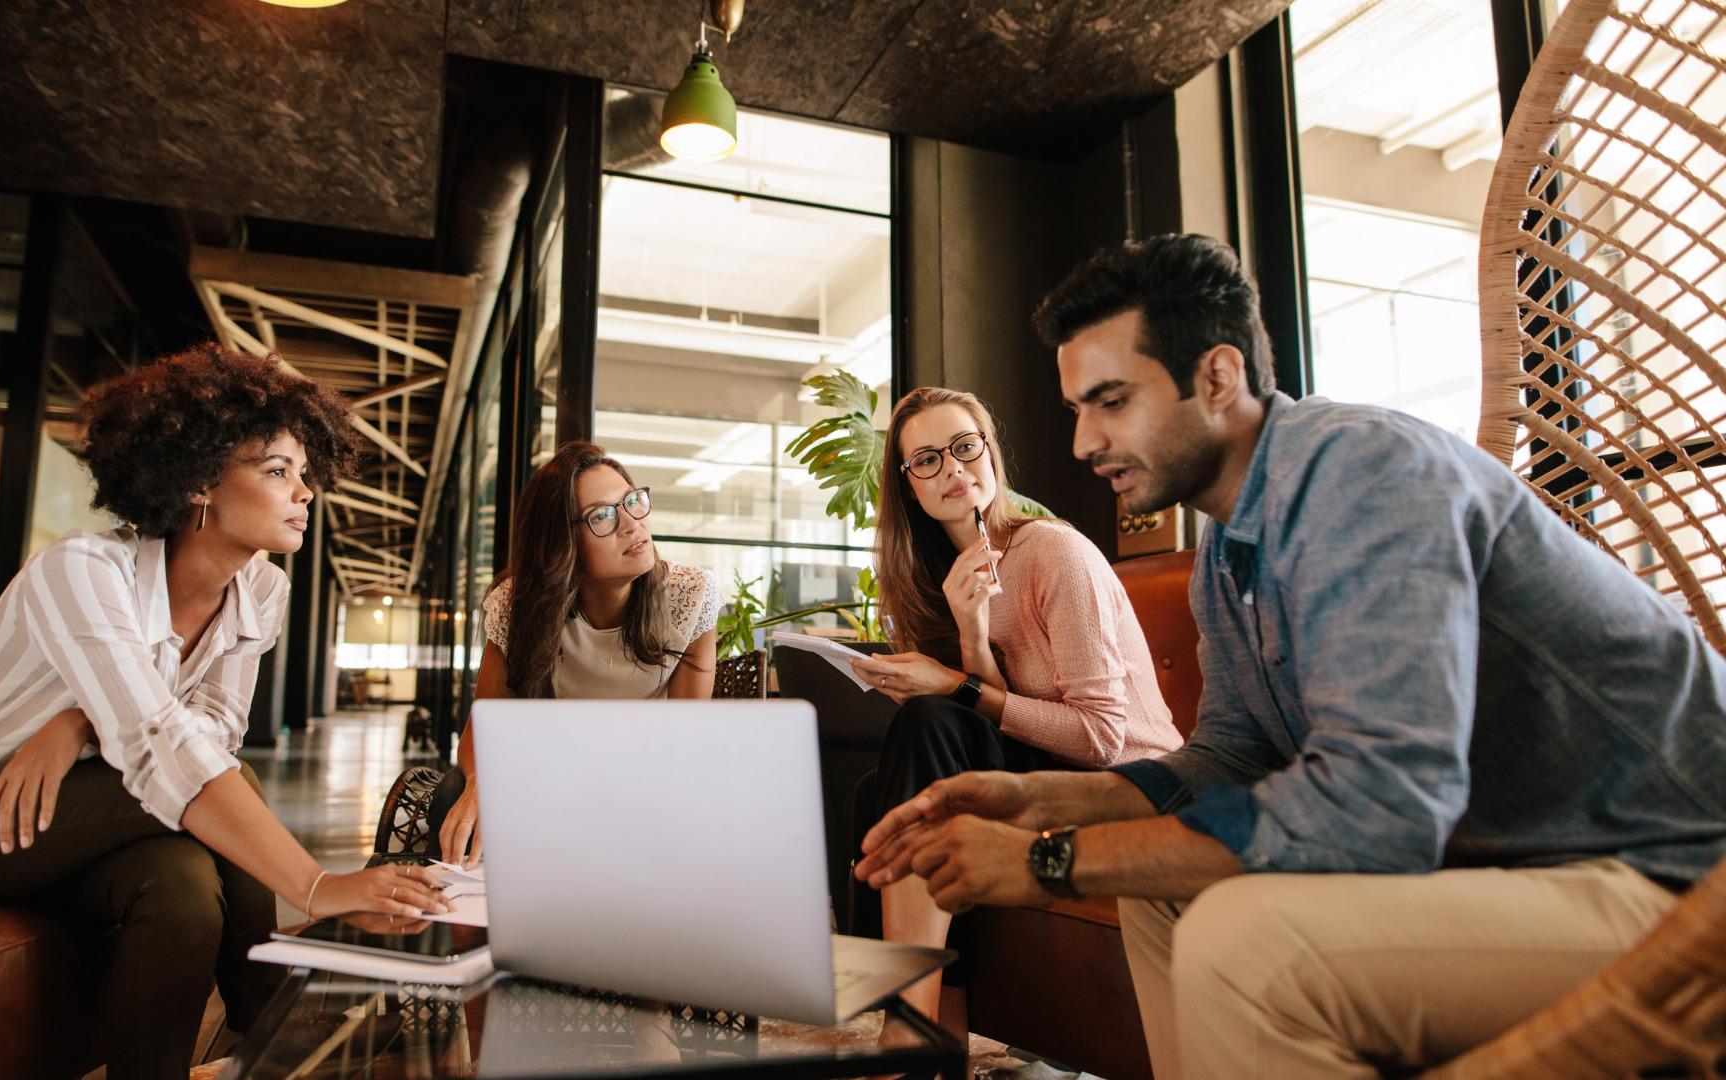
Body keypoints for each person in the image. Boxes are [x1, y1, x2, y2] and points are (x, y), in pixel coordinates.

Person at [854, 234, 1726, 1079]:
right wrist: (1035, 797)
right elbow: (1227, 762)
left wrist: (1051, 858)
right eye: (1079, 409)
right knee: (1167, 893)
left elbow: (1383, 805)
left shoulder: (1361, 475)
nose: (1083, 443)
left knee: (1248, 946)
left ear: (1218, 375)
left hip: (1677, 876)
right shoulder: (1233, 552)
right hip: (1531, 872)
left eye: (1111, 401)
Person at [0, 344, 451, 1080]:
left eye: (304, 472)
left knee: (183, 889)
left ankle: (234, 1047)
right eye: (277, 471)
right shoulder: (86, 570)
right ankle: (279, 1023)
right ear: (198, 480)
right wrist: (317, 887)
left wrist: (76, 724)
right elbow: (166, 745)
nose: (304, 491)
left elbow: (212, 731)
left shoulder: (263, 592)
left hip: (65, 814)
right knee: (210, 785)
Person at [846, 386, 1181, 1035]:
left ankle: (907, 1031)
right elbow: (987, 715)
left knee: (931, 725)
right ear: (906, 483)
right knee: (877, 792)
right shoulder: (934, 580)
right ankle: (941, 1031)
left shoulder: (1053, 552)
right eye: (927, 460)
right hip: (1049, 768)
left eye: (964, 447)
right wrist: (970, 636)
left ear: (990, 455)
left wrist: (953, 686)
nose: (952, 470)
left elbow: (1102, 737)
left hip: (1134, 783)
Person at [433, 441, 723, 864]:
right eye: (601, 515)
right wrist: (482, 779)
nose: (630, 524)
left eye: (631, 501)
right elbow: (483, 728)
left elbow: (686, 738)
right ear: (560, 541)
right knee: (452, 794)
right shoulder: (517, 606)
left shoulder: (690, 595)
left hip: (647, 777)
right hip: (547, 774)